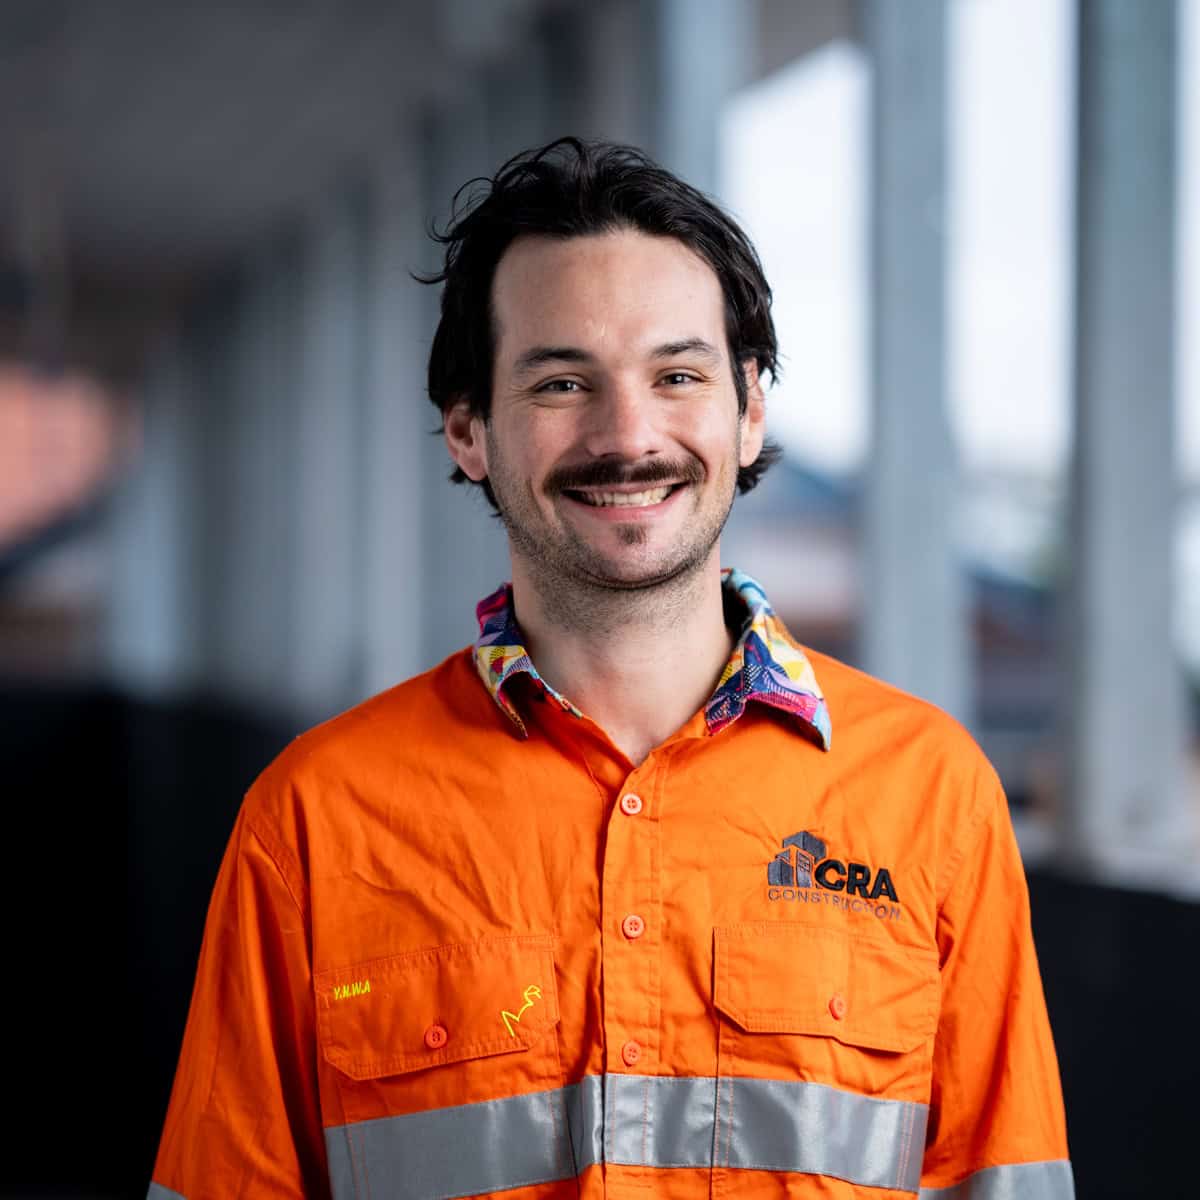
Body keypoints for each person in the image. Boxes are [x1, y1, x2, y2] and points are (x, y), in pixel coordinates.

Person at [149, 138, 1073, 1200]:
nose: (628, 435)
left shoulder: (931, 796)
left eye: (676, 376)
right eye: (560, 382)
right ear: (468, 431)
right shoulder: (314, 822)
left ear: (750, 406)